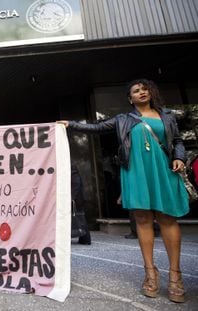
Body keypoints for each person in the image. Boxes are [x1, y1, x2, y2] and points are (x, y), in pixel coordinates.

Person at [58, 79, 189, 303]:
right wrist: (71, 124)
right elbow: (96, 128)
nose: (141, 92)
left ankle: (175, 276)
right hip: (136, 173)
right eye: (136, 91)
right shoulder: (123, 120)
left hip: (163, 171)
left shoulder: (166, 116)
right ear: (130, 99)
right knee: (143, 219)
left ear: (151, 92)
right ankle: (150, 273)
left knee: (168, 219)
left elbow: (177, 141)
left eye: (144, 89)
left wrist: (179, 156)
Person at [71, 162, 91, 245]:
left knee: (80, 218)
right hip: (77, 198)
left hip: (77, 198)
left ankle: (85, 239)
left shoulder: (72, 170)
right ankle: (85, 239)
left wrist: (72, 197)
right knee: (80, 218)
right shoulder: (72, 169)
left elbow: (75, 184)